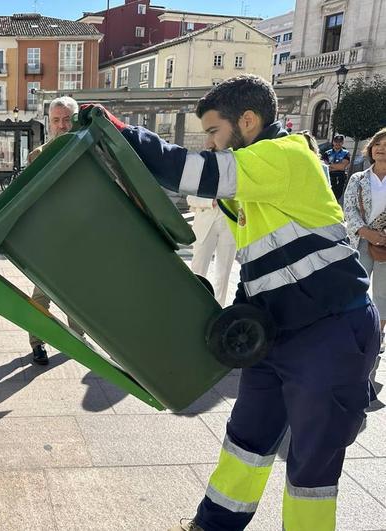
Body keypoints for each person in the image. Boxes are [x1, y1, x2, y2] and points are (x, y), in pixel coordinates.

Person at [85, 74, 378, 531]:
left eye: (214, 131)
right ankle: (213, 525)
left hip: (331, 330)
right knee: (246, 439)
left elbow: (188, 170)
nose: (210, 142)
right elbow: (259, 264)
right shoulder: (250, 189)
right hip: (279, 332)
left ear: (248, 120)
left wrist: (121, 131)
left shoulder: (285, 157)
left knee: (312, 465)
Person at [26, 96, 87, 365]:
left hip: (80, 237)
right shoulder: (37, 156)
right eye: (56, 120)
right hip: (49, 242)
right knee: (41, 297)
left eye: (67, 119)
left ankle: (78, 340)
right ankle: (37, 342)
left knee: (79, 295)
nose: (62, 125)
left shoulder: (90, 152)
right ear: (48, 122)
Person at [343, 127, 386, 401]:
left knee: (382, 302)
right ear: (370, 148)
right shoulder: (359, 179)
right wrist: (366, 232)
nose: (381, 148)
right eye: (378, 144)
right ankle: (348, 353)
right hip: (361, 244)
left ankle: (371, 368)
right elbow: (349, 210)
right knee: (355, 297)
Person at [187, 195, 237, 306]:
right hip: (205, 222)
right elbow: (190, 198)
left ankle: (219, 308)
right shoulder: (202, 177)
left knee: (224, 273)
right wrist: (210, 202)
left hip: (231, 223)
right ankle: (193, 305)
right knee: (198, 270)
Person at [322, 133, 351, 201]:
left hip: (340, 177)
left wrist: (330, 165)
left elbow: (342, 167)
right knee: (328, 196)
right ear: (333, 142)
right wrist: (337, 166)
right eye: (336, 141)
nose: (337, 143)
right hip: (329, 176)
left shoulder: (346, 153)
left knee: (337, 196)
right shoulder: (327, 153)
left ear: (343, 142)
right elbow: (325, 167)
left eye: (340, 142)